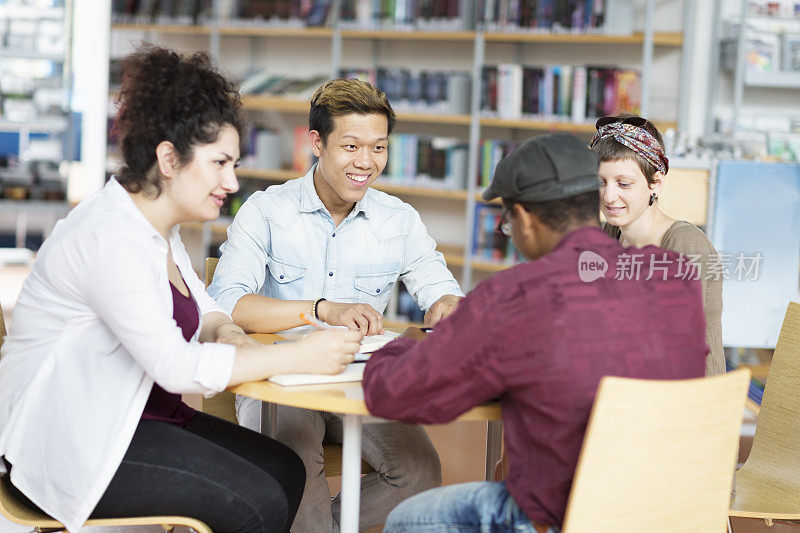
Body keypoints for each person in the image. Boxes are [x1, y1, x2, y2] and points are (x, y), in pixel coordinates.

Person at [0, 46, 361, 533]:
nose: (231, 181)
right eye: (219, 163)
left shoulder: (157, 228)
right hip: (76, 442)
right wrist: (301, 355)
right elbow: (177, 367)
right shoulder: (109, 237)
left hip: (136, 418)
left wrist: (228, 329)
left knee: (284, 469)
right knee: (255, 501)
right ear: (169, 158)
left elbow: (205, 305)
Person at [362, 133, 709, 533]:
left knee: (410, 519)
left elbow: (392, 393)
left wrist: (399, 344)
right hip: (672, 507)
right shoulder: (673, 274)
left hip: (570, 515)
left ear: (524, 218)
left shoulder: (515, 295)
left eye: (507, 222)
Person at [207, 77, 464, 532]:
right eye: (350, 146)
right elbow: (227, 304)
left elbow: (439, 287)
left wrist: (447, 307)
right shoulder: (266, 211)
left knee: (419, 472)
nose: (366, 162)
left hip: (360, 385)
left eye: (379, 148)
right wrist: (322, 309)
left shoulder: (399, 220)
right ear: (317, 143)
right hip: (279, 381)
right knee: (296, 464)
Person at [589, 114, 724, 376]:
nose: (609, 196)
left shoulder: (685, 243)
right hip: (629, 383)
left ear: (656, 183)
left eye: (624, 184)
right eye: (600, 182)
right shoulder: (609, 233)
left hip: (684, 397)